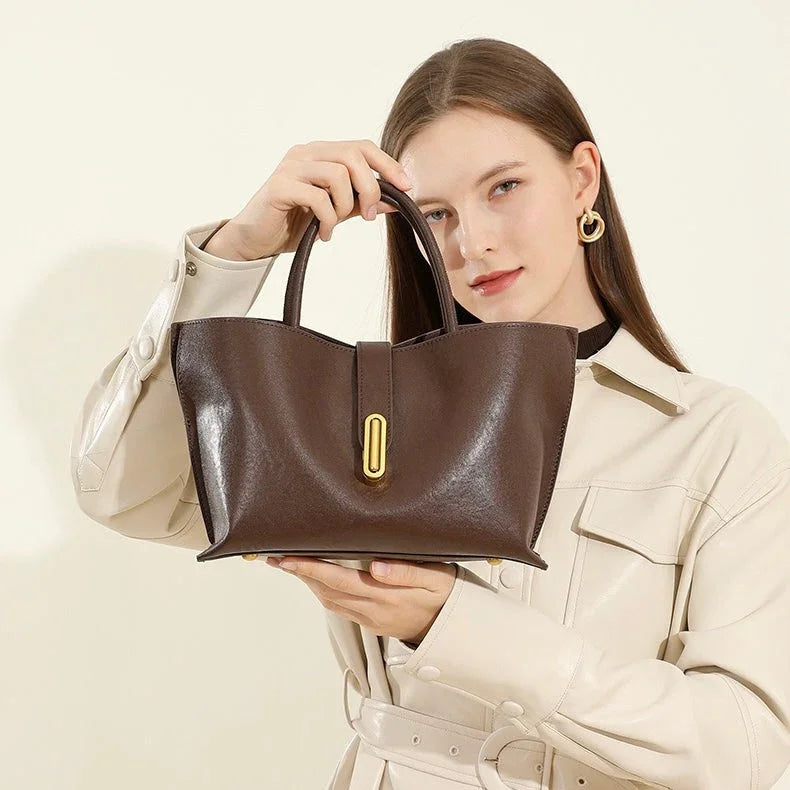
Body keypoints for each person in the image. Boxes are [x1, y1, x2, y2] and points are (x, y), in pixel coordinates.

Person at [69, 37, 790, 790]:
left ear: (582, 180)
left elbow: (743, 746)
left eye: (505, 187)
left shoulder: (717, 440)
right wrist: (242, 251)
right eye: (435, 210)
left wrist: (457, 625)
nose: (471, 242)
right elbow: (122, 489)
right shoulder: (366, 422)